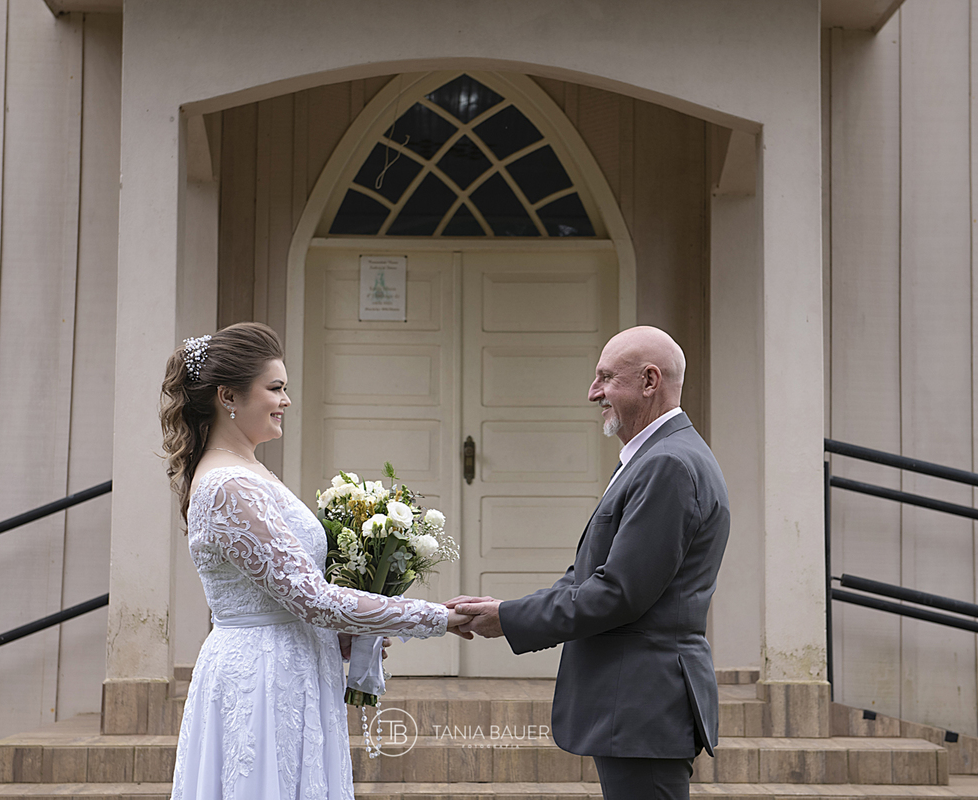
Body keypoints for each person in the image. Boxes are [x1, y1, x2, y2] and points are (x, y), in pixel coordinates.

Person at [159, 322, 470, 800]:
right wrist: (439, 618)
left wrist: (344, 633)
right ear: (228, 397)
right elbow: (313, 601)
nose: (285, 401)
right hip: (261, 676)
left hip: (297, 663)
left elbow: (294, 597)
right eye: (275, 388)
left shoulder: (253, 470)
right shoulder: (228, 486)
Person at [447, 326, 730, 800]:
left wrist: (510, 619)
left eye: (605, 378)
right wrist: (508, 608)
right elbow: (587, 577)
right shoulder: (655, 458)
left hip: (643, 704)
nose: (593, 392)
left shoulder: (668, 465)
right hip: (636, 705)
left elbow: (619, 593)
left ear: (649, 381)